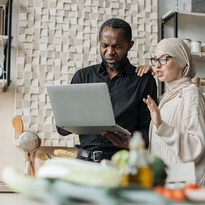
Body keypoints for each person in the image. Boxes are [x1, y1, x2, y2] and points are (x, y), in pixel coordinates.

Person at [57, 18, 157, 163]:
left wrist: (130, 142)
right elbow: (62, 129)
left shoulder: (143, 80)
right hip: (84, 162)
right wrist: (75, 117)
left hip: (123, 163)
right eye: (105, 45)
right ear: (99, 42)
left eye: (117, 46)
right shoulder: (83, 76)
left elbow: (150, 130)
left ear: (130, 46)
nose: (109, 52)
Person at [142, 38, 205, 186]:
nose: (158, 65)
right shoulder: (165, 99)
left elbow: (195, 147)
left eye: (164, 59)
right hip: (163, 186)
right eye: (155, 59)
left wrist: (161, 125)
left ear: (182, 60)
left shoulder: (190, 94)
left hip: (182, 188)